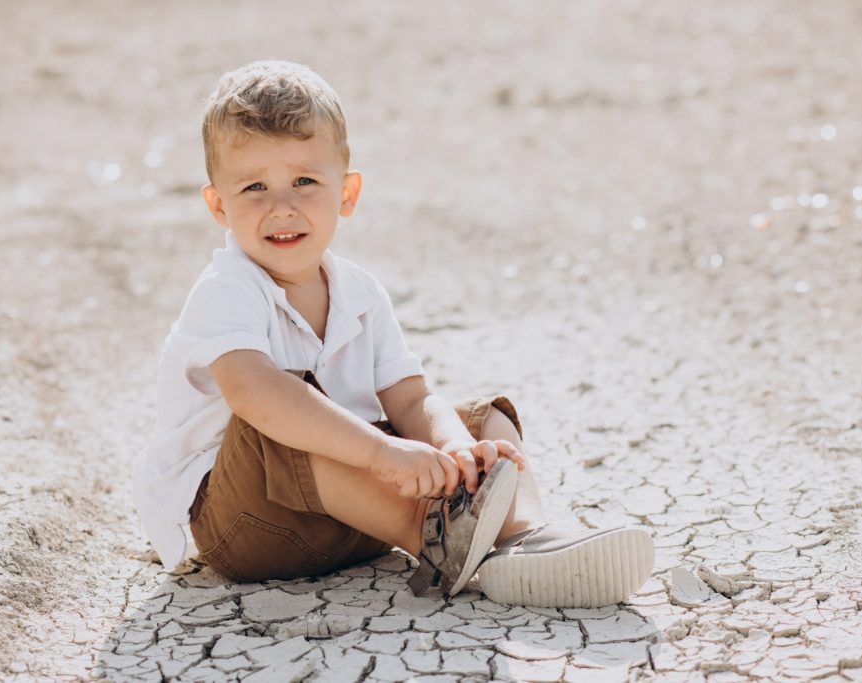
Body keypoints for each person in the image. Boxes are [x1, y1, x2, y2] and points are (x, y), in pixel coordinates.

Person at [132, 59, 654, 607]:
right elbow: (252, 392)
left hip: (358, 515)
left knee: (484, 421)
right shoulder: (227, 288)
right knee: (283, 414)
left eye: (305, 181)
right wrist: (381, 452)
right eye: (254, 187)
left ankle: (521, 540)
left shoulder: (359, 292)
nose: (282, 206)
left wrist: (453, 447)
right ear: (218, 205)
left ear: (346, 194)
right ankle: (435, 537)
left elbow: (409, 396)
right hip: (246, 524)